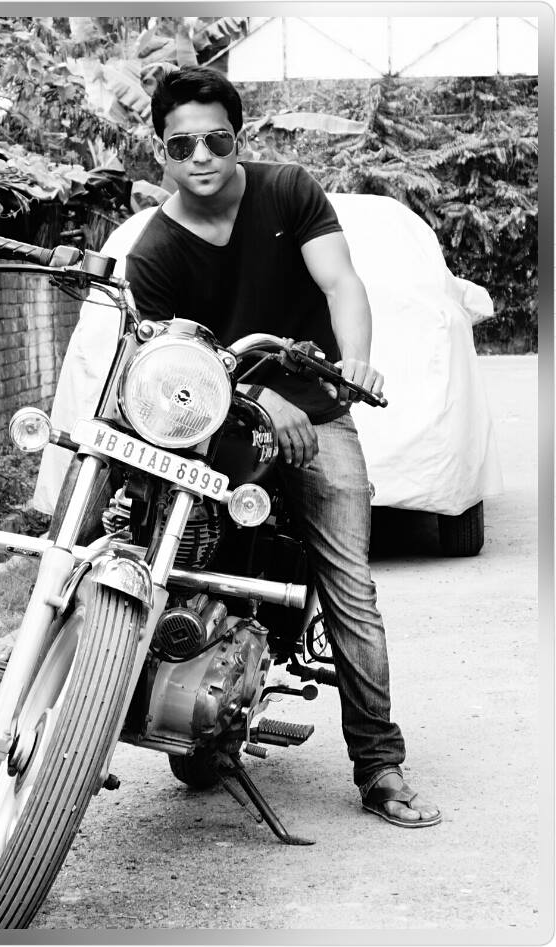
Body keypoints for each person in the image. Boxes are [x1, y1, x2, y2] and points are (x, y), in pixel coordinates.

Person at [123, 65, 441, 829]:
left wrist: (354, 362)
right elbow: (168, 358)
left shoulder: (289, 190)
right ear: (162, 152)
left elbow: (341, 283)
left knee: (349, 583)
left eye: (216, 140)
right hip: (219, 424)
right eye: (182, 145)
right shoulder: (153, 252)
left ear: (239, 139)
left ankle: (379, 764)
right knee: (160, 547)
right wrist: (256, 399)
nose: (202, 156)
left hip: (319, 408)